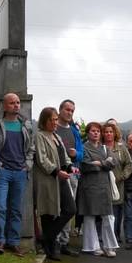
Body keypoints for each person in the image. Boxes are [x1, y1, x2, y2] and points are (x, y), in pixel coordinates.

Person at [0, 92, 34, 256]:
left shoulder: (26, 125)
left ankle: (14, 242)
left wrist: (27, 165)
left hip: (20, 172)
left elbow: (31, 148)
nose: (16, 105)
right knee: (0, 207)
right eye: (12, 103)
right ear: (4, 105)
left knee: (16, 209)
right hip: (2, 171)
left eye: (17, 102)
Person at [34, 107, 76, 261]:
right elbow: (42, 159)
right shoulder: (40, 136)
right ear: (44, 120)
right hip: (48, 180)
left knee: (70, 209)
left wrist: (70, 166)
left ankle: (46, 237)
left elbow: (64, 156)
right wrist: (57, 171)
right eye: (51, 119)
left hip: (60, 178)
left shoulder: (56, 137)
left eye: (55, 119)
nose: (54, 122)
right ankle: (50, 248)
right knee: (48, 212)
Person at [77, 122, 119, 257]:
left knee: (108, 216)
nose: (96, 133)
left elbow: (114, 162)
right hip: (89, 187)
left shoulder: (105, 148)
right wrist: (104, 163)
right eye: (93, 131)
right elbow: (85, 165)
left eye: (98, 131)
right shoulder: (83, 148)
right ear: (88, 133)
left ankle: (109, 246)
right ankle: (92, 246)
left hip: (104, 186)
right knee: (90, 217)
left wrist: (99, 163)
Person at [54, 99, 84, 254]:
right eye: (67, 109)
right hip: (55, 173)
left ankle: (64, 242)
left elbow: (81, 153)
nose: (69, 113)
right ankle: (55, 240)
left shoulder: (74, 131)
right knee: (56, 208)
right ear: (60, 110)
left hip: (72, 174)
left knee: (69, 209)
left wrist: (76, 154)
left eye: (72, 110)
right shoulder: (53, 127)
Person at [102, 122, 131, 241]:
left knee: (117, 211)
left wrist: (123, 176)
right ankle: (105, 236)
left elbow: (128, 164)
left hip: (118, 184)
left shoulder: (121, 148)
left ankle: (116, 235)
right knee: (104, 211)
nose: (108, 134)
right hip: (102, 184)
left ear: (114, 134)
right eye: (106, 132)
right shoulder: (100, 147)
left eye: (111, 132)